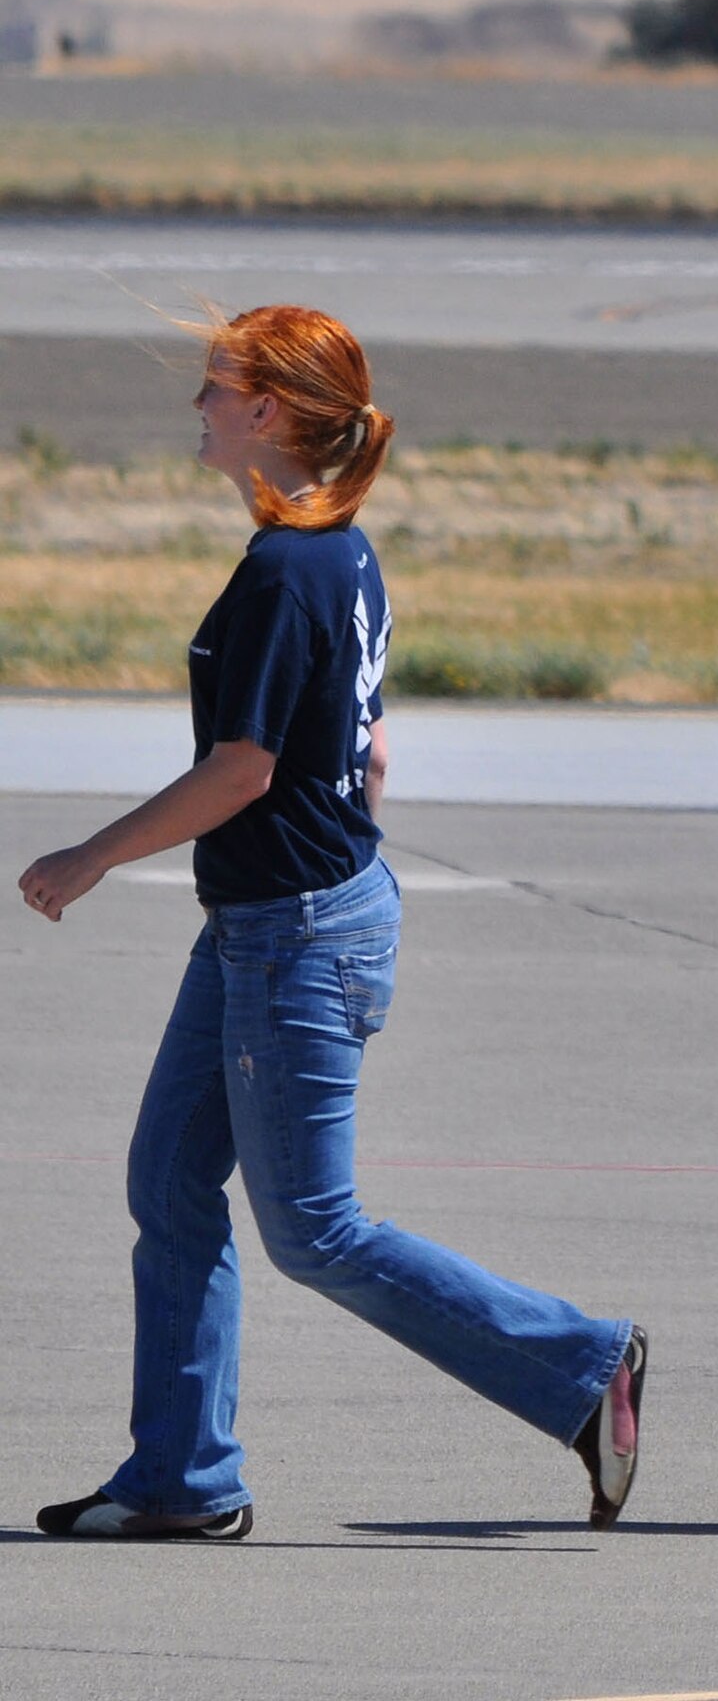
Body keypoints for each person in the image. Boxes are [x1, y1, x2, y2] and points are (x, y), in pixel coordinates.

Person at [20, 305, 646, 1541]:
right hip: (273, 919)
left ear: (268, 411)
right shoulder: (333, 549)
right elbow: (353, 728)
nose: (195, 408)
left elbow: (242, 767)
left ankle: (584, 1365)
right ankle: (182, 1477)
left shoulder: (286, 566)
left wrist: (89, 856)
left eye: (214, 387)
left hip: (296, 931)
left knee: (314, 1229)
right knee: (170, 1181)